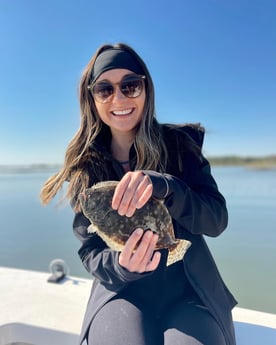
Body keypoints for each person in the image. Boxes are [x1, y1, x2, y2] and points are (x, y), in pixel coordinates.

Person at [40, 42, 237, 345]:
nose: (118, 97)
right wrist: (121, 266)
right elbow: (90, 251)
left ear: (146, 90)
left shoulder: (180, 146)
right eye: (104, 89)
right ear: (91, 99)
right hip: (121, 292)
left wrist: (167, 186)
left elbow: (216, 220)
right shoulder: (86, 169)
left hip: (191, 290)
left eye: (130, 85)